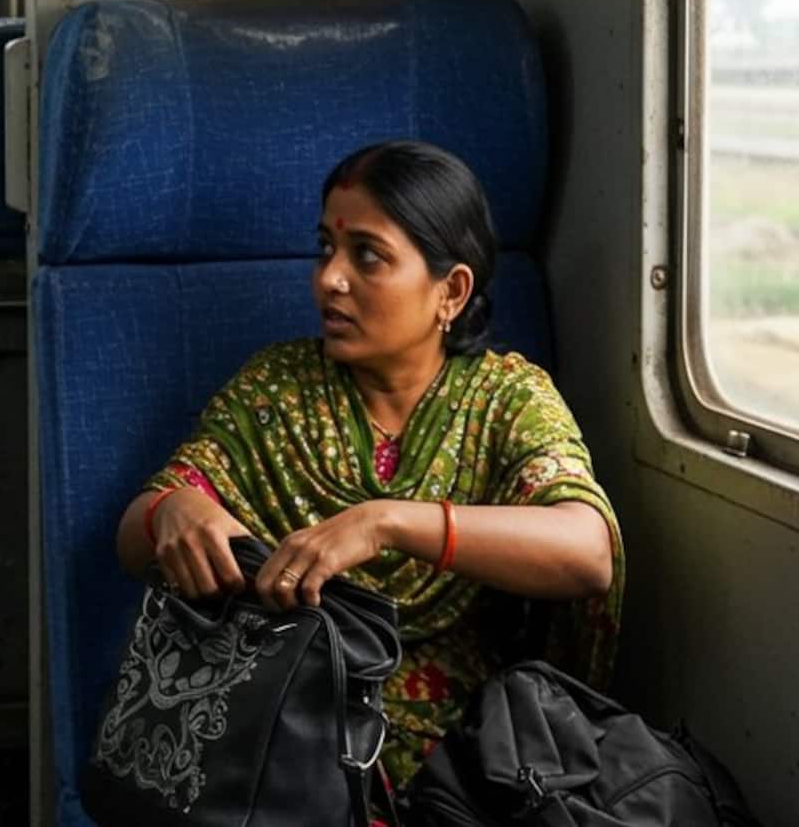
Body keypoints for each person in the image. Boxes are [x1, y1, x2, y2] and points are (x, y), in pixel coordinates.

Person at [114, 141, 622, 787]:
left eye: (368, 256)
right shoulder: (276, 389)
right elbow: (134, 539)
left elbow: (587, 552)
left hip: (464, 762)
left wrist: (385, 523)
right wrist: (170, 509)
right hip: (280, 745)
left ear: (451, 290)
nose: (329, 277)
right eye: (326, 247)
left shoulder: (505, 400)